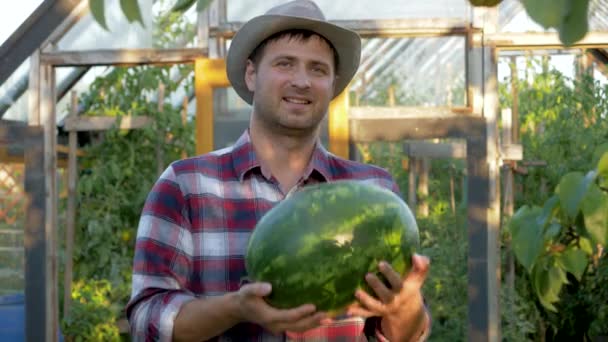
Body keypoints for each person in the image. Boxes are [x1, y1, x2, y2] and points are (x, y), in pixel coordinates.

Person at [126, 1, 431, 341]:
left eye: (318, 69)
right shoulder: (186, 185)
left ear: (331, 85)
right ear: (251, 74)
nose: (301, 81)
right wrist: (235, 308)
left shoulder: (375, 189)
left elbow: (402, 334)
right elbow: (147, 320)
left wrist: (405, 307)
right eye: (285, 63)